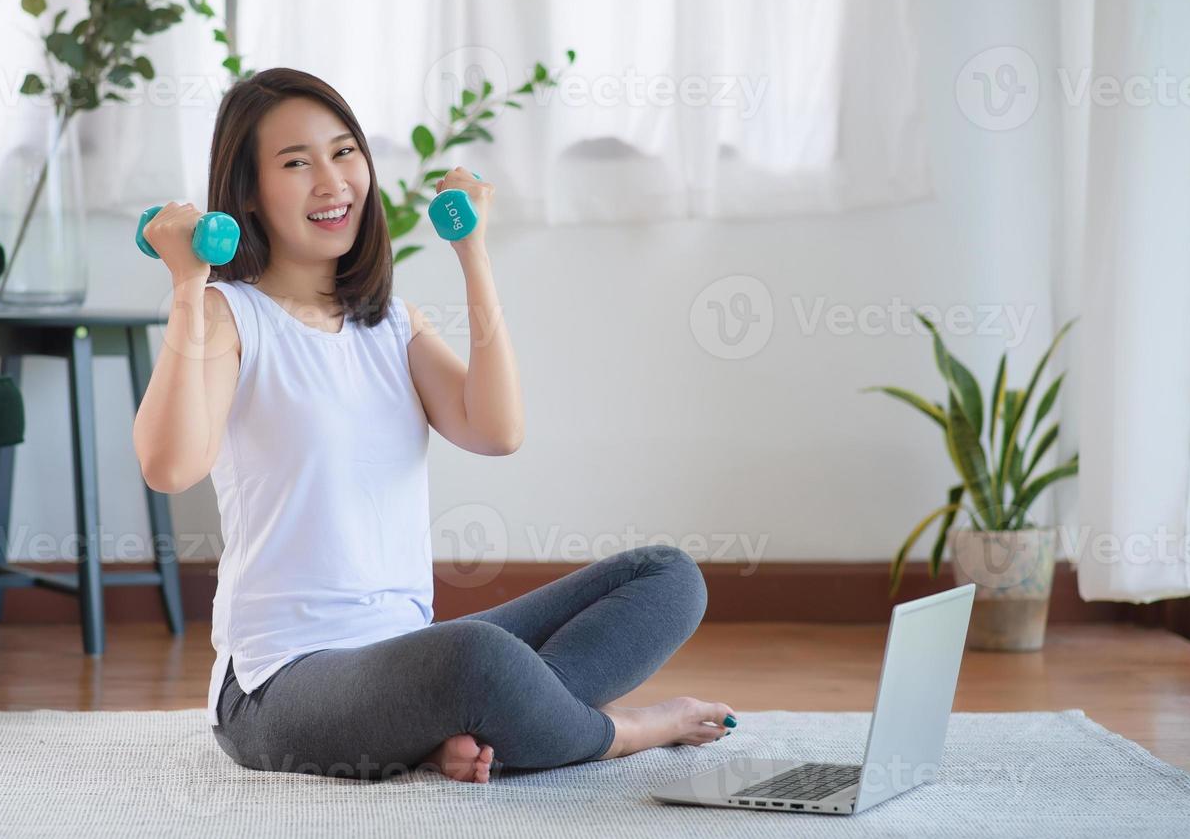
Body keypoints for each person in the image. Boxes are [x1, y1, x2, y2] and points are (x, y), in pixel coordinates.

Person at [133, 68, 737, 782]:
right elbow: (169, 468)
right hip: (279, 685)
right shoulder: (228, 315)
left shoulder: (390, 324)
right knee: (477, 658)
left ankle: (474, 724)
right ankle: (616, 732)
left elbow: (497, 430)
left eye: (344, 152)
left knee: (667, 576)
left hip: (405, 661)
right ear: (250, 196)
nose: (332, 181)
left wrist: (472, 253)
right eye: (296, 163)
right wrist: (185, 284)